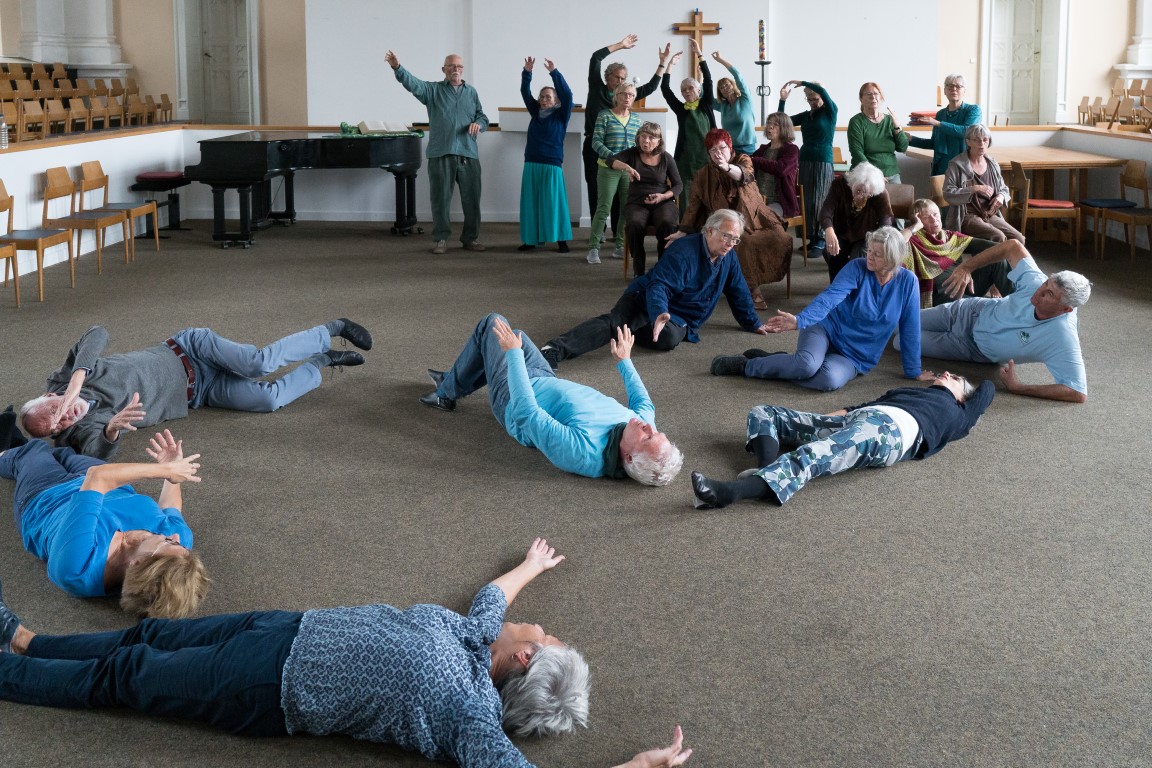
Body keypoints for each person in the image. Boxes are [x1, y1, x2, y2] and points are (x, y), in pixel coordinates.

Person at [0, 540, 694, 768]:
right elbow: (494, 597)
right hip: (288, 627)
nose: (536, 627)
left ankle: (11, 671)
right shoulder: (476, 637)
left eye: (542, 638)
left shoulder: (468, 714)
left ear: (523, 665)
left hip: (267, 686)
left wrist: (633, 766)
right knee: (147, 636)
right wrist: (531, 567)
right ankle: (30, 639)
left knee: (132, 675)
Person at [17, 320, 372, 459]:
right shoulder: (82, 428)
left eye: (54, 413)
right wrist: (110, 430)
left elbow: (97, 333)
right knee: (268, 399)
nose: (63, 420)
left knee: (257, 363)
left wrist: (78, 376)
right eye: (56, 428)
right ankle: (324, 361)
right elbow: (96, 452)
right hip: (201, 391)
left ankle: (331, 328)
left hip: (189, 349)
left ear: (51, 397)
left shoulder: (65, 379)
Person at [421, 314, 683, 486]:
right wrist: (624, 360)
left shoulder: (583, 453)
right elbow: (645, 404)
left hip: (513, 399)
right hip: (546, 380)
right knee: (515, 335)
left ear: (628, 458)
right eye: (657, 432)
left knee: (492, 325)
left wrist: (513, 357)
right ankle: (452, 381)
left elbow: (527, 413)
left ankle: (445, 393)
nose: (649, 427)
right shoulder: (642, 427)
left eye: (648, 437)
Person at [689, 372, 994, 508]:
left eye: (953, 378)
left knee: (815, 454)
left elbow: (987, 390)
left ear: (961, 395)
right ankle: (767, 470)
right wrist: (826, 419)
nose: (945, 373)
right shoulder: (912, 393)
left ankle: (731, 493)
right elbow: (869, 403)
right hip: (856, 419)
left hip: (887, 432)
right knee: (765, 413)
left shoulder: (958, 415)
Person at [0, 420, 207, 618]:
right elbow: (169, 507)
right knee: (64, 453)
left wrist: (163, 470)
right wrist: (172, 474)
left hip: (47, 496)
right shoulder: (180, 549)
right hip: (110, 483)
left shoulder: (76, 567)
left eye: (169, 542)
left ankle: (9, 452)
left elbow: (97, 477)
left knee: (33, 450)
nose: (176, 536)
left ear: (138, 563)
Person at [540, 210, 771, 368]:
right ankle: (553, 349)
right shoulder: (683, 251)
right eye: (726, 236)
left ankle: (641, 326)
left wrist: (753, 323)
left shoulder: (727, 257)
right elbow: (658, 286)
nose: (731, 243)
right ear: (709, 231)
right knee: (617, 326)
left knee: (668, 338)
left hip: (679, 318)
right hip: (646, 297)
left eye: (735, 239)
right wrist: (659, 312)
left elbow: (738, 290)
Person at [709, 226, 925, 392]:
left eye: (877, 254)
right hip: (825, 329)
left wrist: (913, 371)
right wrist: (800, 320)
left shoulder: (908, 283)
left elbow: (910, 328)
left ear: (891, 259)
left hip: (855, 356)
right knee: (806, 366)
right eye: (869, 250)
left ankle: (779, 361)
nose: (869, 256)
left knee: (828, 380)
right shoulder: (856, 268)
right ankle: (747, 366)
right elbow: (829, 298)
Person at [906, 239, 1090, 403]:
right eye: (1046, 284)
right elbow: (1012, 246)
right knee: (904, 324)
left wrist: (1019, 387)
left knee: (902, 342)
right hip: (968, 312)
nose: (1039, 292)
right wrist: (966, 267)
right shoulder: (1035, 282)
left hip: (971, 349)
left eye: (1049, 294)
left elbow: (1077, 391)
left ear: (1066, 309)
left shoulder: (1062, 336)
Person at [666, 129, 793, 311]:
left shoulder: (743, 160)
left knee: (781, 238)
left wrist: (725, 166)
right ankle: (751, 289)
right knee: (742, 242)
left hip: (755, 218)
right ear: (708, 153)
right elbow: (694, 204)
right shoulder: (704, 174)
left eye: (722, 148)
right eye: (713, 150)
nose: (718, 153)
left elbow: (745, 175)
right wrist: (683, 230)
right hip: (726, 222)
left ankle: (755, 280)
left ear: (730, 146)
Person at [385, 50, 489, 255]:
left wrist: (479, 124)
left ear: (463, 70)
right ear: (444, 69)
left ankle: (470, 238)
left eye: (459, 66)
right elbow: (412, 84)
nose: (455, 70)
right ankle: (441, 239)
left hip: (468, 153)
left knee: (472, 199)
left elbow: (482, 116)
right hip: (440, 153)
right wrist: (397, 67)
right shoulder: (432, 91)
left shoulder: (472, 92)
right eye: (451, 66)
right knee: (440, 199)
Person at [583, 35, 669, 238]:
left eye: (623, 79)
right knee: (596, 188)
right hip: (595, 147)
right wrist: (621, 46)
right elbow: (595, 58)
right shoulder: (597, 89)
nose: (620, 82)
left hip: (621, 151)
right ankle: (599, 231)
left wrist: (662, 63)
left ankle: (617, 233)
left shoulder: (625, 95)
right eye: (617, 77)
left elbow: (650, 87)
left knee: (621, 193)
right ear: (608, 77)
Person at [901, 198, 1014, 308]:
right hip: (942, 295)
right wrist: (914, 227)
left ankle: (1018, 302)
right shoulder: (913, 241)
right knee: (982, 307)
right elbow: (893, 242)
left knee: (998, 259)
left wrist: (969, 267)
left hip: (966, 286)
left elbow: (994, 247)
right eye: (926, 217)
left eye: (935, 214)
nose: (933, 219)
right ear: (917, 221)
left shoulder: (951, 237)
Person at [607, 121, 683, 276]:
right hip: (637, 202)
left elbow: (678, 185)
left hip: (662, 201)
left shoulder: (666, 158)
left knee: (667, 224)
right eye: (643, 136)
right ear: (638, 137)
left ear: (658, 141)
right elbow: (610, 160)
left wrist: (663, 196)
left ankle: (663, 266)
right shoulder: (632, 153)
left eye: (650, 138)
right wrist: (627, 167)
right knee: (634, 224)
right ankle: (639, 267)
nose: (646, 141)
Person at [519, 56, 574, 253]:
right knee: (531, 203)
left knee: (554, 203)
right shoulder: (535, 112)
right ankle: (530, 240)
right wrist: (527, 72)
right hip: (532, 162)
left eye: (548, 97)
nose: (544, 100)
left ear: (555, 100)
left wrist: (554, 73)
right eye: (542, 97)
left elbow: (568, 94)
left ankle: (561, 240)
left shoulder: (561, 114)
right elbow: (525, 92)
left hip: (552, 164)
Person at [779, 79, 838, 253]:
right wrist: (782, 100)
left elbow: (823, 93)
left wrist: (804, 82)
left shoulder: (830, 111)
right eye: (809, 99)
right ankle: (811, 238)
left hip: (823, 161)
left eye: (815, 98)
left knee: (820, 199)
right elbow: (782, 122)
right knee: (806, 200)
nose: (813, 102)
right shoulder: (806, 115)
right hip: (804, 160)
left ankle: (821, 239)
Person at [587, 82, 642, 264]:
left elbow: (637, 146)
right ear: (616, 96)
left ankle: (619, 246)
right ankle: (593, 248)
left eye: (631, 95)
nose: (628, 97)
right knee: (603, 208)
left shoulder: (636, 119)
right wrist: (613, 158)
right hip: (608, 168)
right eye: (624, 94)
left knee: (626, 209)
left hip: (628, 171)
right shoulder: (604, 116)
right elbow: (595, 142)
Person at [943, 124, 1024, 243]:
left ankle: (1006, 262)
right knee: (998, 237)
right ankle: (993, 262)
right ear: (968, 142)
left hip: (989, 214)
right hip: (966, 216)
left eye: (985, 140)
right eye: (977, 140)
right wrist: (974, 188)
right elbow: (948, 193)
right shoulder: (956, 164)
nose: (981, 144)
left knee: (1018, 238)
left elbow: (1004, 188)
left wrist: (1001, 197)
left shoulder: (992, 164)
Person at [661, 39, 716, 214]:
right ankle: (686, 230)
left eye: (690, 88)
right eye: (683, 90)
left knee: (708, 195)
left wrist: (699, 54)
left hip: (708, 158)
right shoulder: (681, 110)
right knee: (686, 198)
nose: (686, 92)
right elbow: (665, 89)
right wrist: (669, 65)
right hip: (685, 160)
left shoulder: (706, 104)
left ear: (698, 90)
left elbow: (708, 79)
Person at [819, 161, 894, 281]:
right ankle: (836, 288)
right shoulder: (840, 185)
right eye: (858, 190)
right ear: (852, 182)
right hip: (842, 231)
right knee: (834, 254)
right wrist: (829, 230)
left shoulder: (879, 192)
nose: (861, 196)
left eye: (866, 194)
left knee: (857, 261)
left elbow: (886, 219)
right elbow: (826, 211)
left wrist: (878, 240)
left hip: (867, 235)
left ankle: (857, 292)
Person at [907, 74, 982, 176]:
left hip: (964, 168)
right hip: (941, 168)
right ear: (944, 91)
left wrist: (938, 123)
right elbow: (934, 143)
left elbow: (967, 131)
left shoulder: (973, 110)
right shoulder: (940, 114)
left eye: (958, 86)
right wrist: (911, 139)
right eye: (950, 86)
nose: (954, 89)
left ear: (964, 90)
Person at [848, 82, 908, 183]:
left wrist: (897, 126)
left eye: (876, 93)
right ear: (861, 99)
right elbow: (857, 152)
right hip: (866, 175)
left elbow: (903, 147)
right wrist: (875, 175)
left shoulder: (890, 120)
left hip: (892, 173)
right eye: (868, 94)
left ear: (881, 97)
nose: (873, 97)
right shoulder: (856, 121)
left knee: (901, 198)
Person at [751, 112, 799, 219]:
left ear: (784, 128)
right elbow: (749, 162)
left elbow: (781, 169)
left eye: (775, 124)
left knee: (762, 217)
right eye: (769, 123)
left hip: (780, 203)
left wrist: (756, 160)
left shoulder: (792, 149)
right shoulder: (763, 149)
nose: (770, 126)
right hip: (758, 199)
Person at [709, 50, 757, 155]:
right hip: (729, 149)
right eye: (721, 88)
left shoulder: (745, 99)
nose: (725, 88)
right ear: (720, 92)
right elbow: (705, 97)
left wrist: (720, 60)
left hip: (747, 148)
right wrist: (700, 76)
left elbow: (738, 75)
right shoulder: (723, 106)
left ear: (733, 85)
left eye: (727, 85)